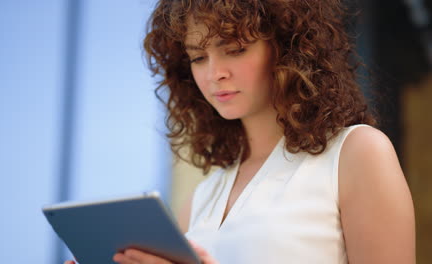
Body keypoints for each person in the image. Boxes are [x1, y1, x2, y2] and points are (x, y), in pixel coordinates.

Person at [66, 0, 415, 263]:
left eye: (234, 50)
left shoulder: (357, 153)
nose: (214, 72)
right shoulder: (203, 198)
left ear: (286, 47)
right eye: (197, 57)